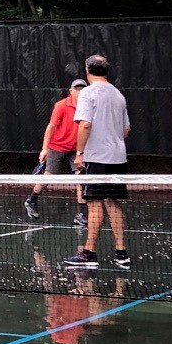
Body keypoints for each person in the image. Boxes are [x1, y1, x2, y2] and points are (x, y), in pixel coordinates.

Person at [68, 54, 131, 269]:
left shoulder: (87, 93)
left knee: (94, 204)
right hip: (118, 157)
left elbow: (85, 125)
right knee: (113, 203)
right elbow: (126, 129)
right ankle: (121, 253)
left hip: (96, 158)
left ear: (87, 70)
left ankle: (88, 254)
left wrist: (79, 153)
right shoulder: (119, 95)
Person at [25, 77, 86, 222]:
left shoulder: (89, 106)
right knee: (49, 176)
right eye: (77, 89)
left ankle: (81, 214)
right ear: (71, 91)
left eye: (83, 89)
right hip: (57, 146)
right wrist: (44, 149)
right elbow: (51, 127)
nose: (80, 91)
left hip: (77, 149)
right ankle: (31, 201)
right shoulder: (61, 105)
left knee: (81, 179)